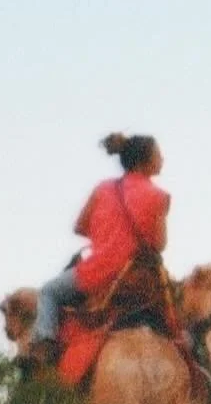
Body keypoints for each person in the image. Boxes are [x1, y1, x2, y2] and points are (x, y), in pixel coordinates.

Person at [29, 133, 171, 364]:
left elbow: (79, 227)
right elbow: (159, 245)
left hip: (99, 273)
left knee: (48, 292)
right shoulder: (159, 196)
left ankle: (45, 344)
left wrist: (105, 234)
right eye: (158, 154)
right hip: (140, 278)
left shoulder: (103, 189)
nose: (162, 158)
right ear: (144, 161)